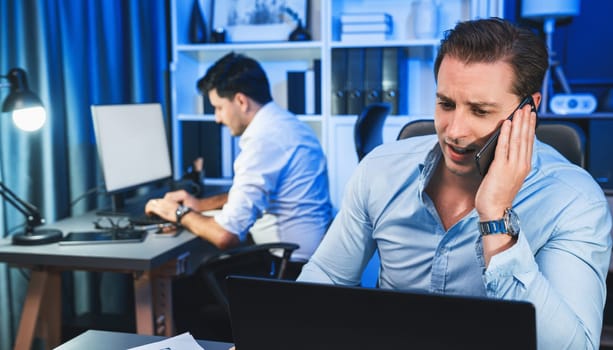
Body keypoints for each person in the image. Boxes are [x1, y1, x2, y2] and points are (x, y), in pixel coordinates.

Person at [298, 18, 612, 349]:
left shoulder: (574, 201)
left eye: (479, 111)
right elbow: (326, 281)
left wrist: (496, 218)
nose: (454, 131)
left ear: (529, 109)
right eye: (446, 104)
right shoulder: (380, 170)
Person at [145, 52, 333, 269]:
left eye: (218, 108)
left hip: (290, 268)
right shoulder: (286, 124)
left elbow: (227, 236)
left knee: (190, 281)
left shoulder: (264, 140)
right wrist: (199, 205)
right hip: (311, 255)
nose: (217, 118)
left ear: (241, 101)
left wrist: (177, 213)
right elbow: (251, 193)